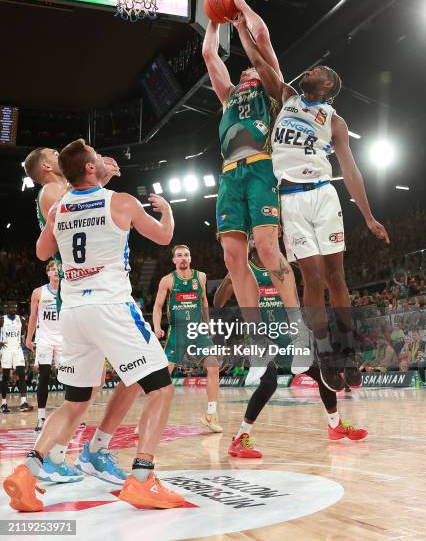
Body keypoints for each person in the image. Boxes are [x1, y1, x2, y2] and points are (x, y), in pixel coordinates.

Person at [4, 139, 185, 512]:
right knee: (161, 389)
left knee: (75, 400)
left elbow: (41, 252)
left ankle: (28, 471)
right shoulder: (120, 201)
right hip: (111, 306)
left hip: (73, 312)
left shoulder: (59, 207)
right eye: (94, 159)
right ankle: (142, 477)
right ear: (89, 168)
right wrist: (167, 212)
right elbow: (165, 237)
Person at [228, 0, 390, 391]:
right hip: (291, 198)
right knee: (312, 280)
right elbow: (259, 61)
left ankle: (348, 352)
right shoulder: (286, 95)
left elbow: (351, 171)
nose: (313, 68)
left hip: (323, 194)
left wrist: (368, 216)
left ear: (326, 87)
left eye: (320, 70)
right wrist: (241, 26)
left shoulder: (333, 120)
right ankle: (323, 351)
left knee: (336, 276)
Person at [202, 0, 312, 378]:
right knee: (234, 260)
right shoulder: (229, 95)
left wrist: (241, 8)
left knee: (267, 248)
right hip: (230, 174)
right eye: (245, 71)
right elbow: (210, 58)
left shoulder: (270, 86)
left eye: (251, 69)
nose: (247, 71)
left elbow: (261, 37)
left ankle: (298, 333)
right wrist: (213, 21)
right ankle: (257, 343)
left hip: (262, 168)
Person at [24, 145, 141, 484]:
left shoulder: (63, 190)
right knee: (131, 375)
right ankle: (90, 451)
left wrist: (98, 178)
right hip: (82, 290)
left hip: (88, 290)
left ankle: (55, 455)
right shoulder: (52, 191)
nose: (60, 154)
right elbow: (78, 217)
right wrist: (99, 178)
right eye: (54, 153)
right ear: (47, 166)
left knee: (85, 389)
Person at [214, 243, 366, 457]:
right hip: (260, 337)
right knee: (269, 384)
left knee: (323, 374)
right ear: (252, 240)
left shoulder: (282, 265)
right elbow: (217, 303)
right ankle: (240, 438)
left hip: (287, 334)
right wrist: (230, 278)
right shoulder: (244, 269)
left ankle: (335, 425)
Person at [153, 244, 222, 433]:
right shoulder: (167, 280)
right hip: (178, 332)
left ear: (190, 258)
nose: (183, 258)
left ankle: (210, 415)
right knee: (163, 376)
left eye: (186, 254)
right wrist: (157, 327)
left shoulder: (201, 277)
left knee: (214, 367)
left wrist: (208, 325)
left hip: (198, 330)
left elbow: (204, 303)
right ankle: (150, 417)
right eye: (179, 255)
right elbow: (158, 306)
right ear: (174, 260)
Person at [26, 260, 62, 433]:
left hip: (64, 339)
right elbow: (33, 316)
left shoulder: (67, 291)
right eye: (53, 269)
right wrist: (29, 337)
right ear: (48, 273)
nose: (56, 272)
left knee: (69, 376)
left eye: (58, 269)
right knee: (45, 375)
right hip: (45, 338)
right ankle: (41, 418)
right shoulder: (38, 292)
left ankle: (74, 416)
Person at [1, 301, 33, 413]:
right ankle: (3, 403)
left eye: (15, 307)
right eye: (11, 307)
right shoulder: (2, 319)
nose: (13, 309)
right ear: (7, 308)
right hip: (6, 349)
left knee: (21, 374)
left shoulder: (21, 319)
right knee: (5, 376)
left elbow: (27, 329)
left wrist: (24, 340)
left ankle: (23, 402)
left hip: (17, 349)